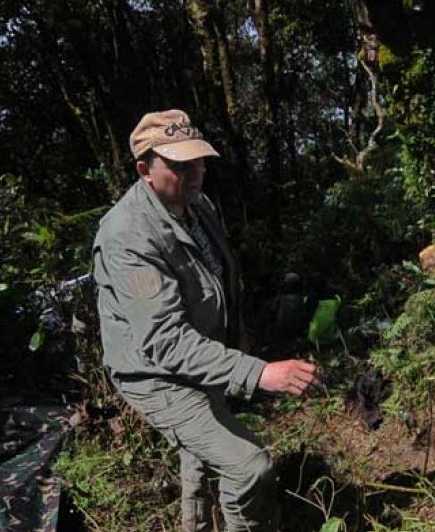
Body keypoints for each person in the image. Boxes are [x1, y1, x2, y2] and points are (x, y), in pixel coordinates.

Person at [92, 109, 318, 532]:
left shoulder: (197, 205)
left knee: (201, 449)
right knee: (247, 466)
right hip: (154, 372)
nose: (195, 173)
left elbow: (219, 276)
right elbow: (164, 340)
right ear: (145, 170)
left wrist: (236, 339)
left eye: (198, 161)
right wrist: (258, 373)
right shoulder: (127, 236)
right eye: (180, 165)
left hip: (200, 349)